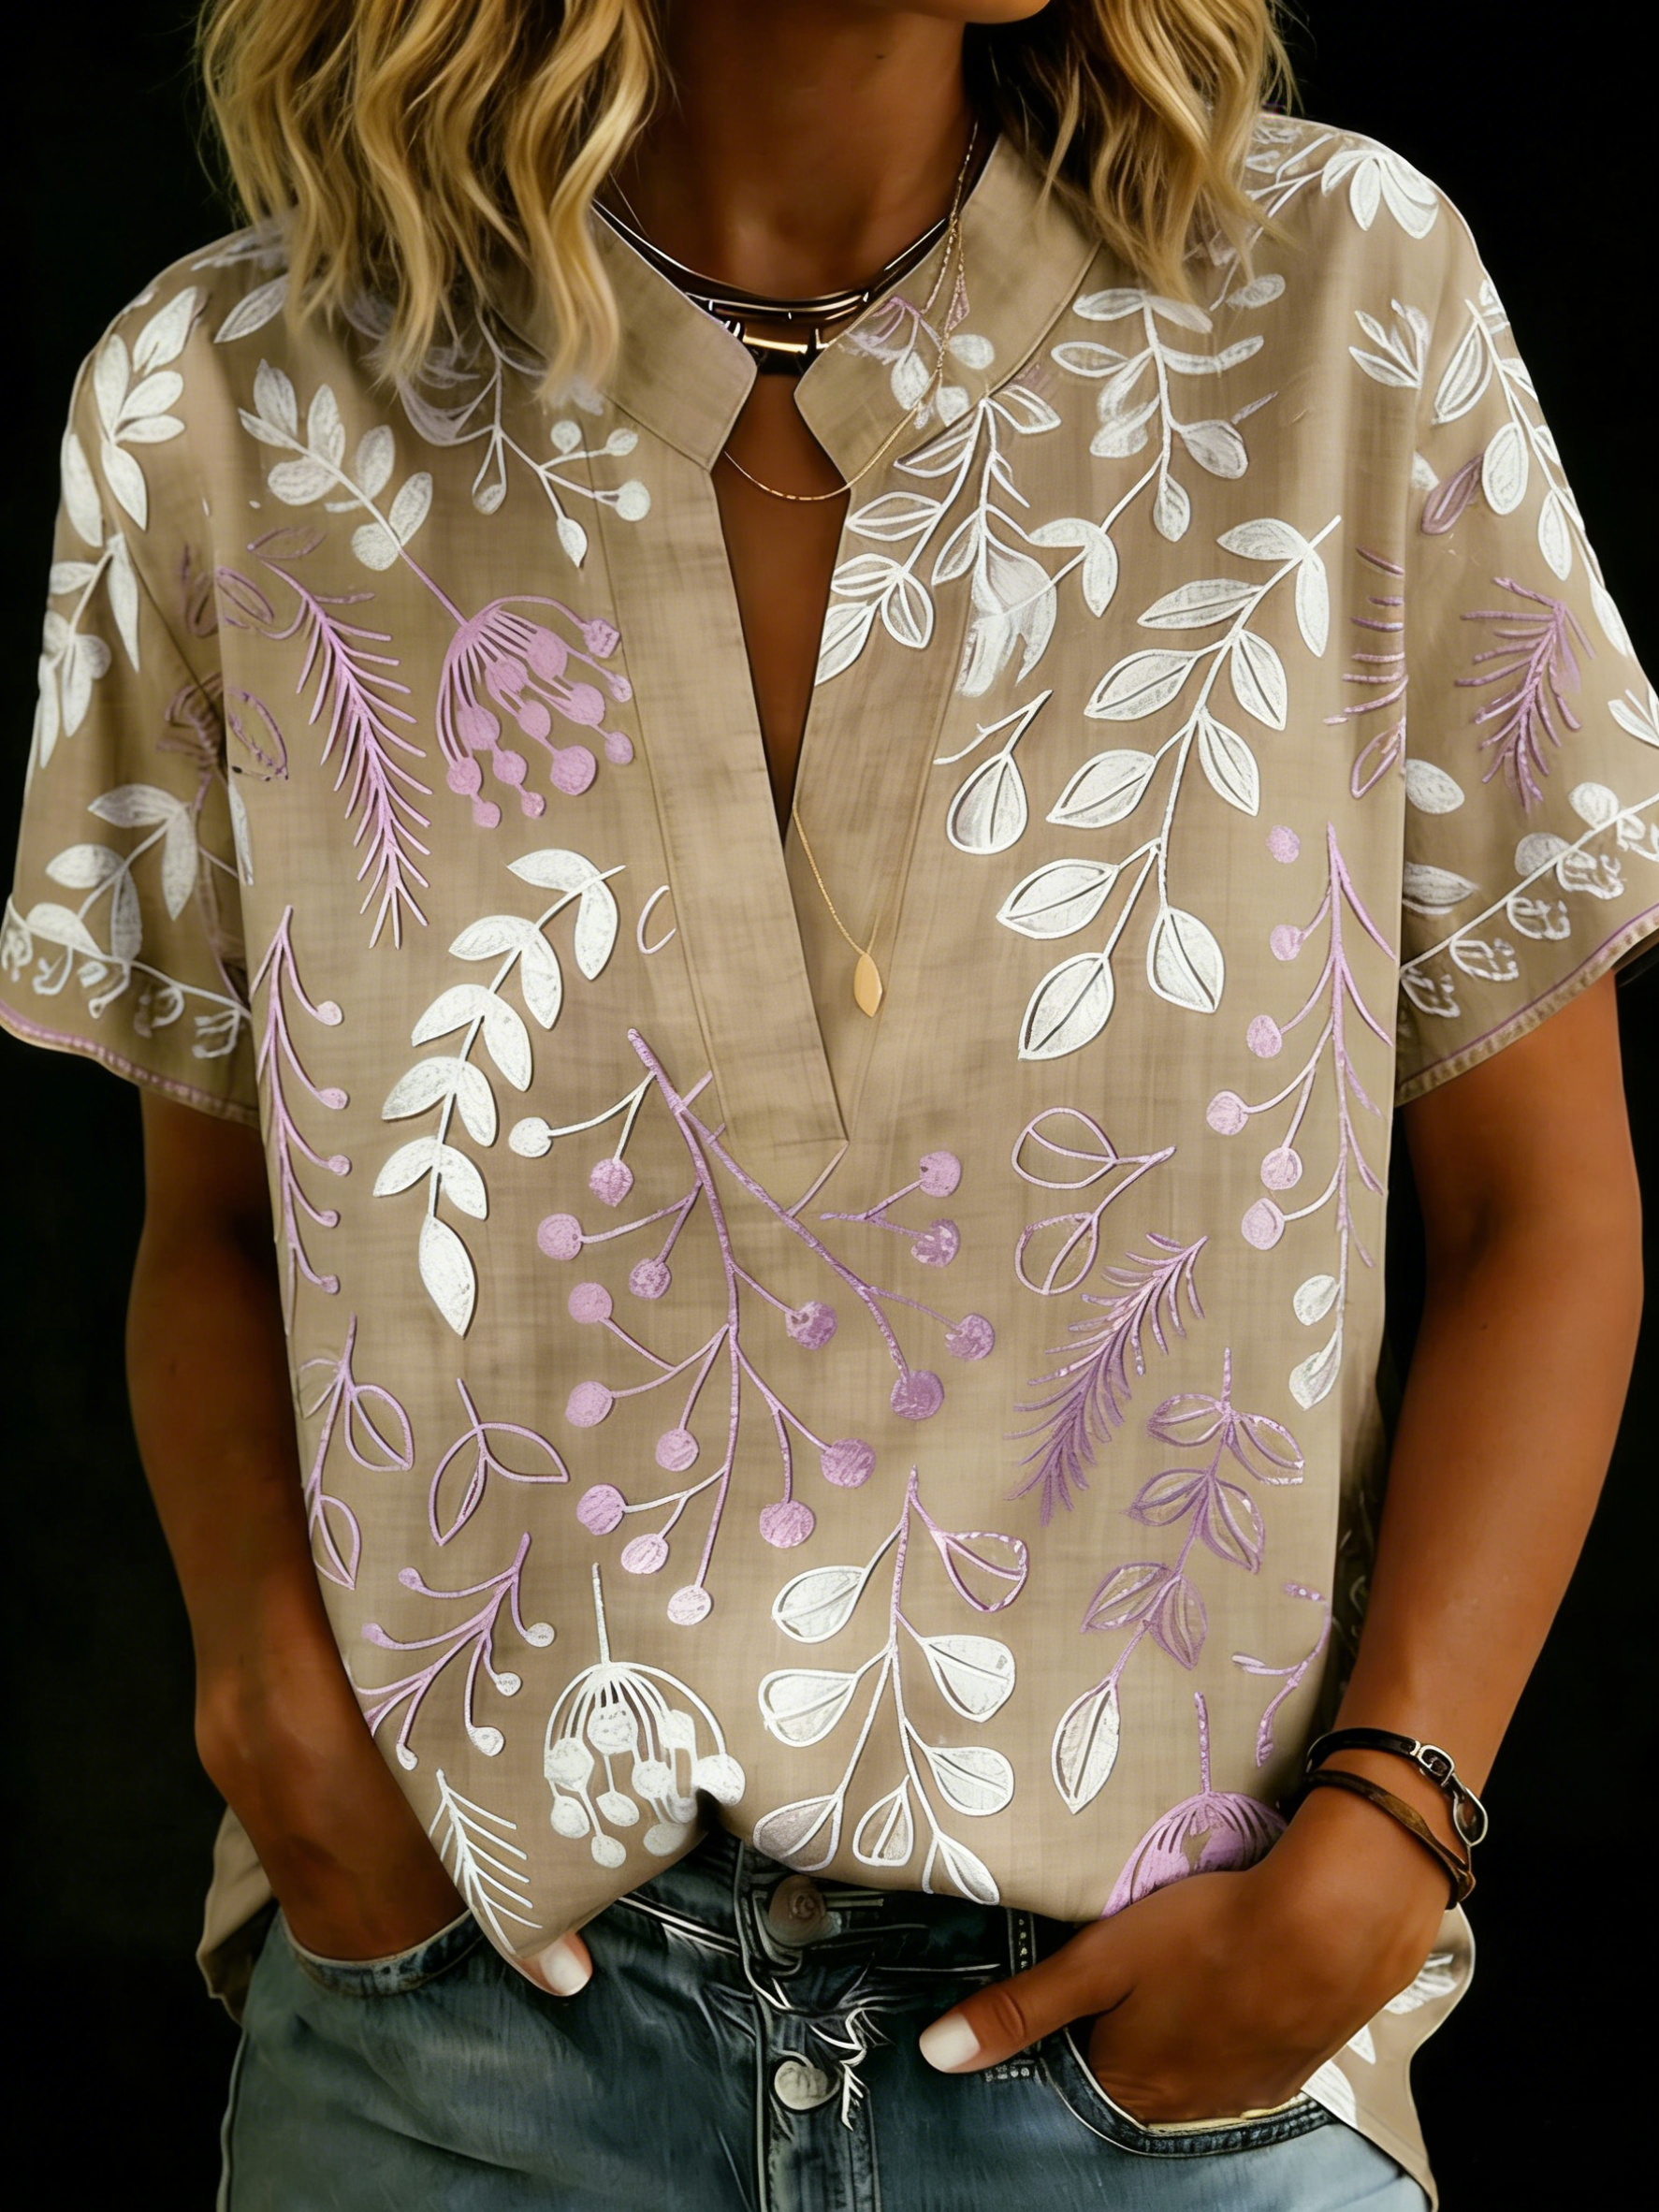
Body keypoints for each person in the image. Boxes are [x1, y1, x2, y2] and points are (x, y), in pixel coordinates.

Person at [5, 1, 1650, 2205]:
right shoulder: (232, 399)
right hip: (471, 2064)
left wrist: (1383, 1833)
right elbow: (220, 1222)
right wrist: (273, 1718)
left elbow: (1542, 1214)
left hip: (1156, 2071)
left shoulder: (1338, 308)